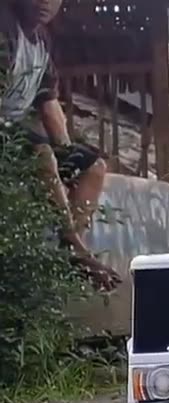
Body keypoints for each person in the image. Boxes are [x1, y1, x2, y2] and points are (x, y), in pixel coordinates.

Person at [0, 0, 119, 290]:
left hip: (13, 133)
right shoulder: (5, 25)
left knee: (94, 166)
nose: (44, 2)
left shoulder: (41, 40)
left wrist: (65, 155)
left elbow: (48, 103)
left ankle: (70, 250)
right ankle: (77, 249)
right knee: (41, 152)